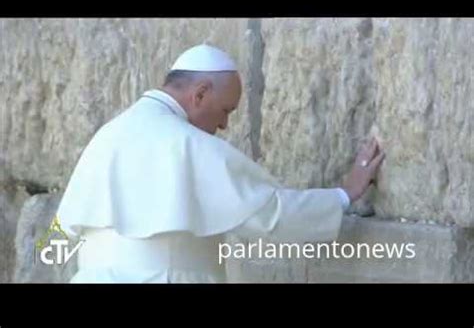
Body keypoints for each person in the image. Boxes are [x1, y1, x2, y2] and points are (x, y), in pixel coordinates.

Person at [57, 44, 385, 283]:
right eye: (226, 110)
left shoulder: (108, 135)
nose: (225, 125)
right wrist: (343, 194)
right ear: (200, 94)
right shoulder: (187, 143)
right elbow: (269, 213)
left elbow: (61, 232)